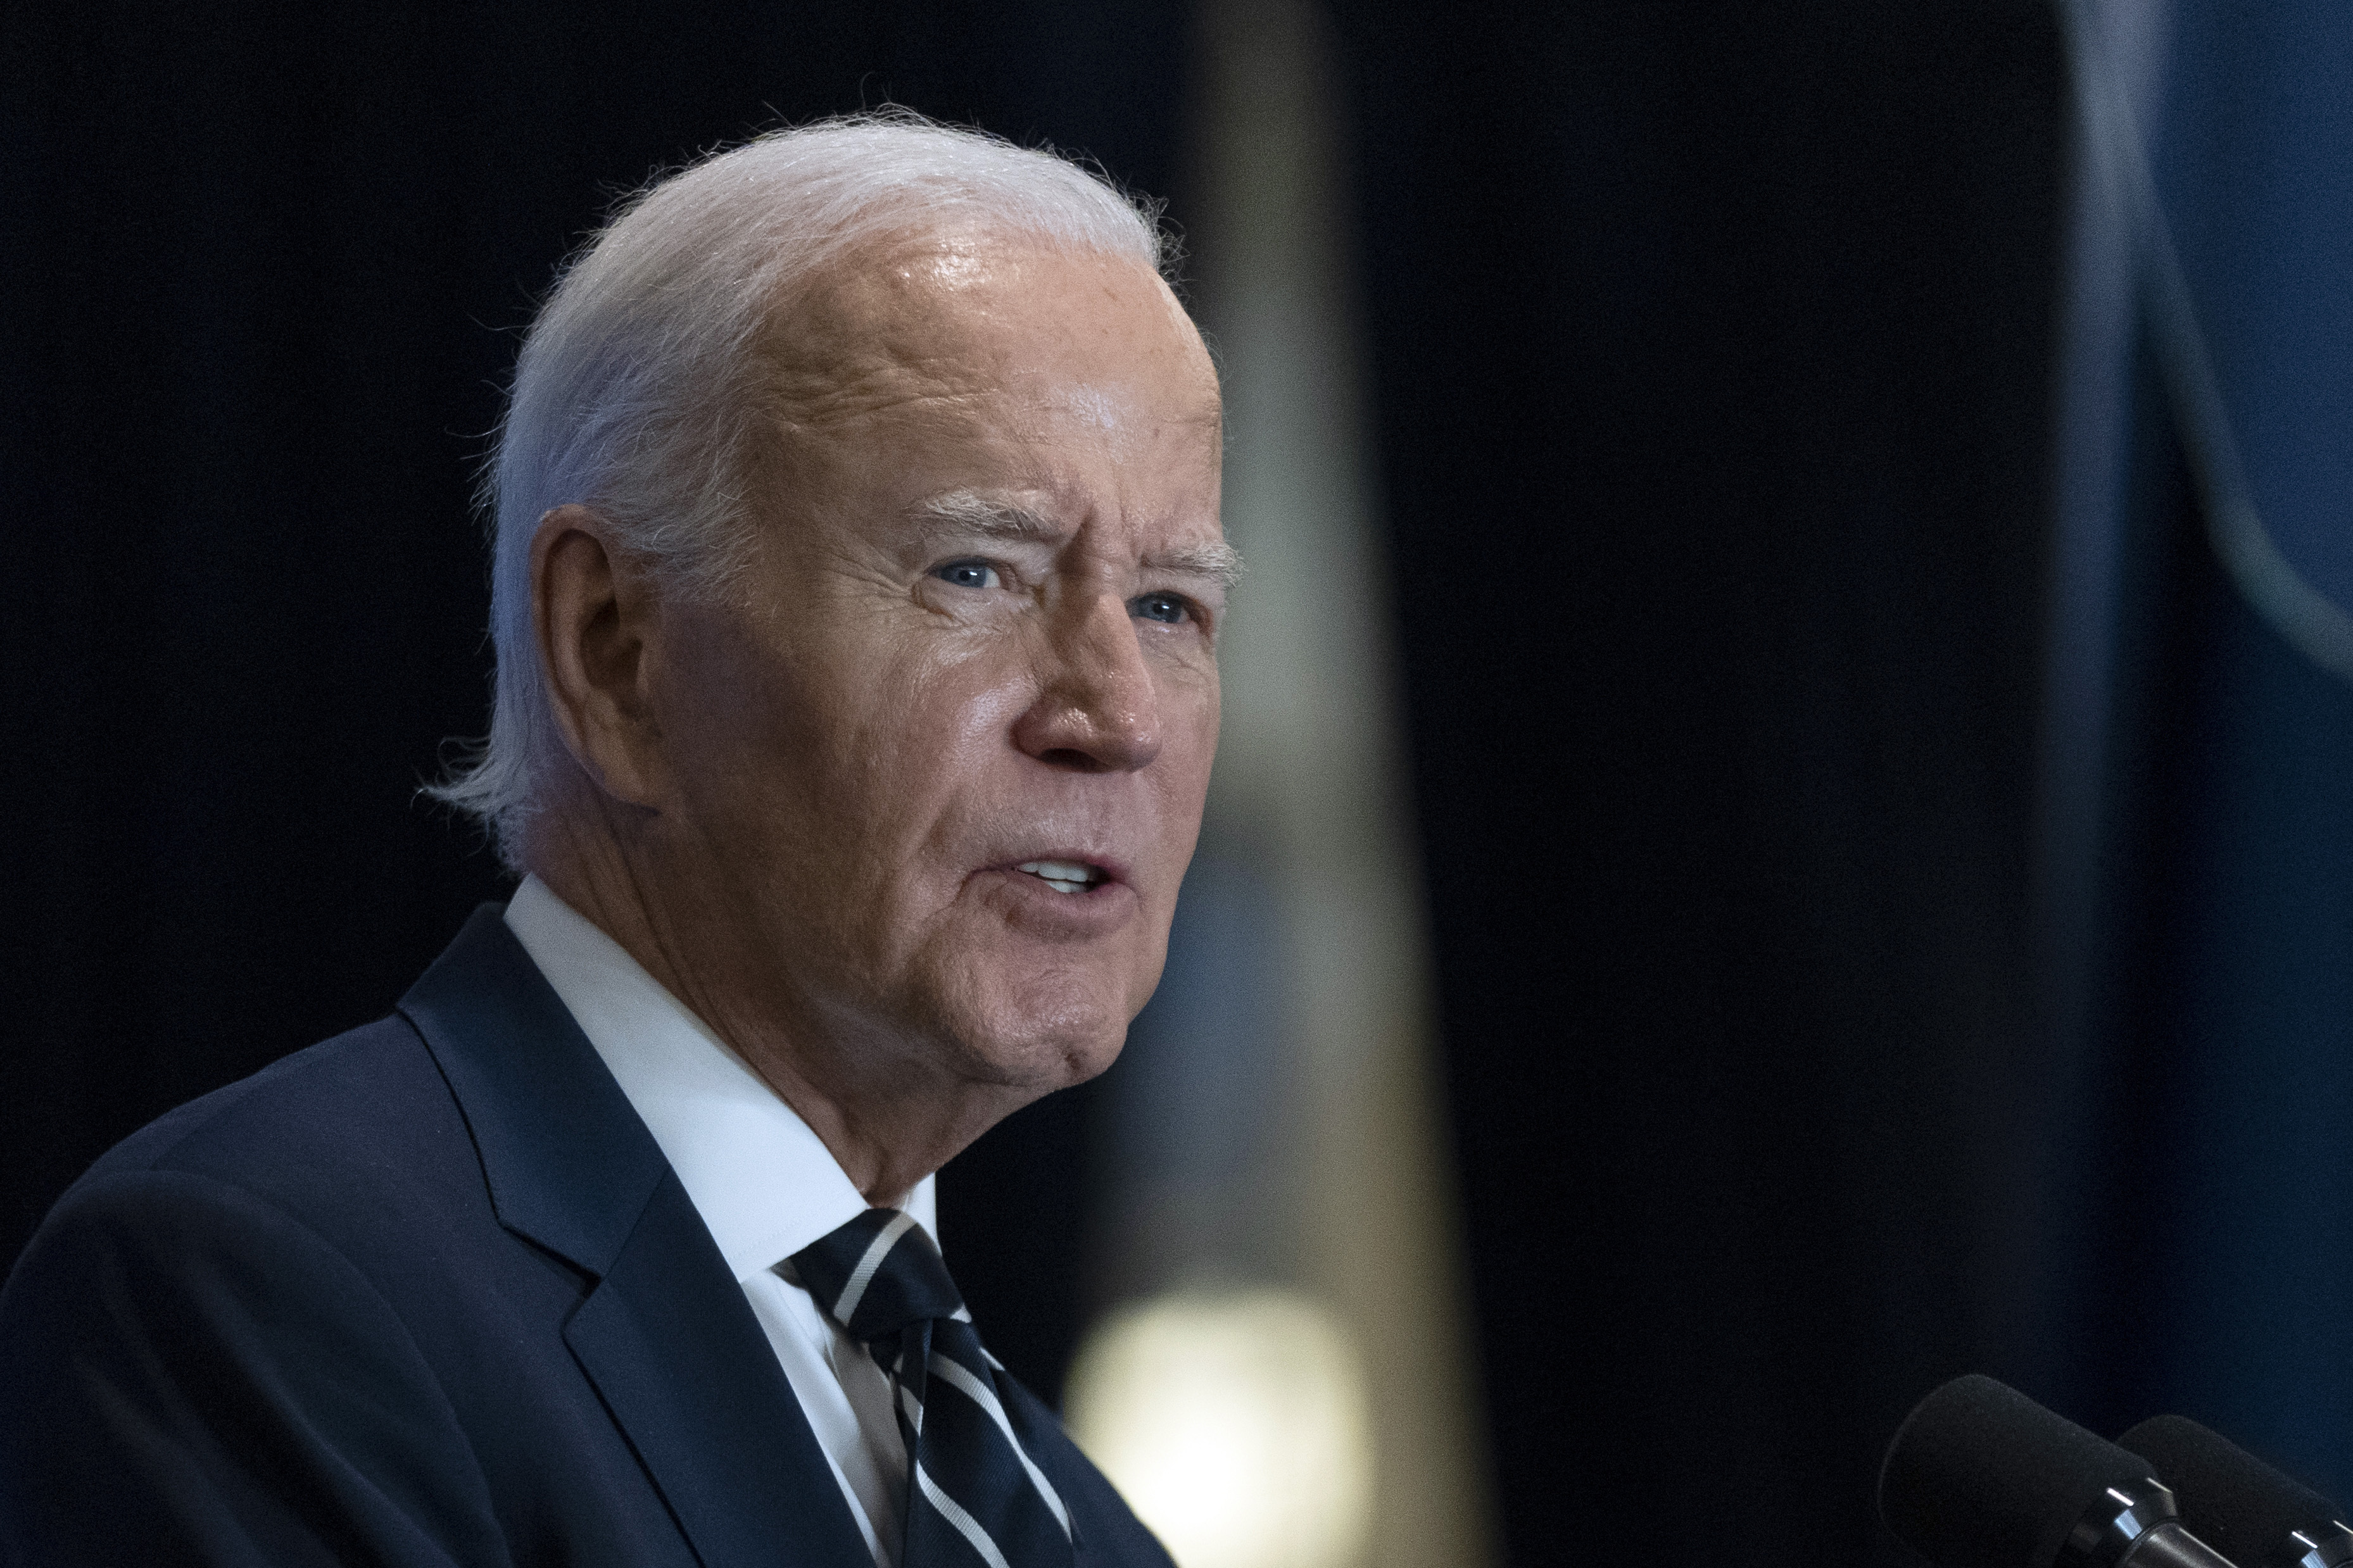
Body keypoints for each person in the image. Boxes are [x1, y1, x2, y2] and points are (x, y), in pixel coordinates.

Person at [0, 115, 1235, 1567]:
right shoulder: (264, 1294)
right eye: (977, 570)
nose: (1117, 716)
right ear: (615, 651)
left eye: (1169, 606)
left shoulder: (1067, 1522)